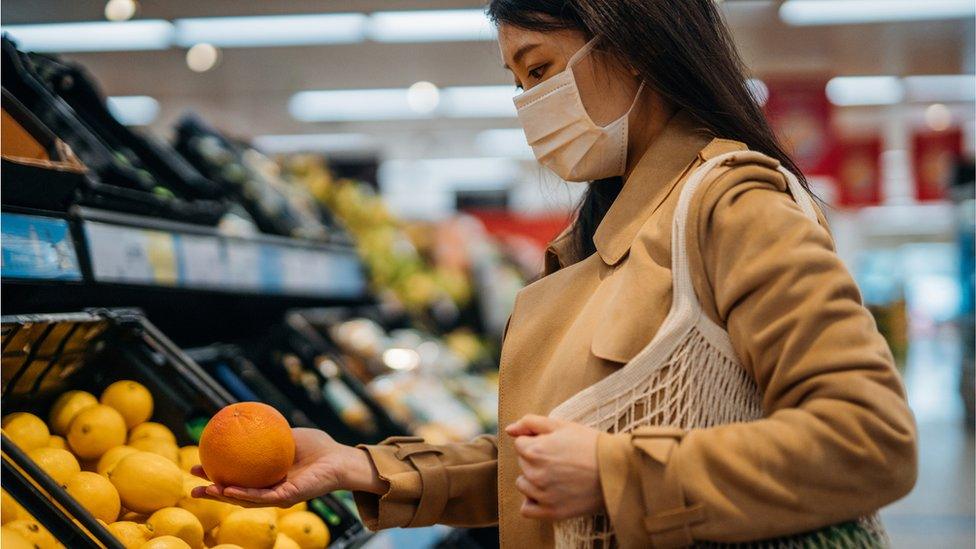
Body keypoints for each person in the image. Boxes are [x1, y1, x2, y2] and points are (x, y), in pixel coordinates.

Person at [192, 1, 918, 546]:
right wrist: (367, 468)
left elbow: (869, 440)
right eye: (515, 79)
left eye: (539, 69)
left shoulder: (732, 207)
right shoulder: (591, 236)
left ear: (633, 41)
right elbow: (543, 465)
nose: (528, 104)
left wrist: (616, 471)